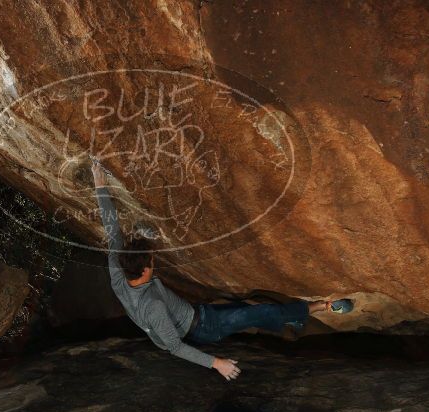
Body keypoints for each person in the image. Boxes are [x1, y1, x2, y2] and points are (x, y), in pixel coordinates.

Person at [91, 159, 354, 381]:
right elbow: (172, 346)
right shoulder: (153, 307)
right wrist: (217, 363)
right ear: (146, 271)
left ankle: (293, 317)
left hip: (197, 312)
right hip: (202, 327)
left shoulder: (118, 267)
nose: (154, 260)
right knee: (260, 312)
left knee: (252, 310)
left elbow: (112, 229)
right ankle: (322, 307)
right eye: (152, 259)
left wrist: (99, 184)